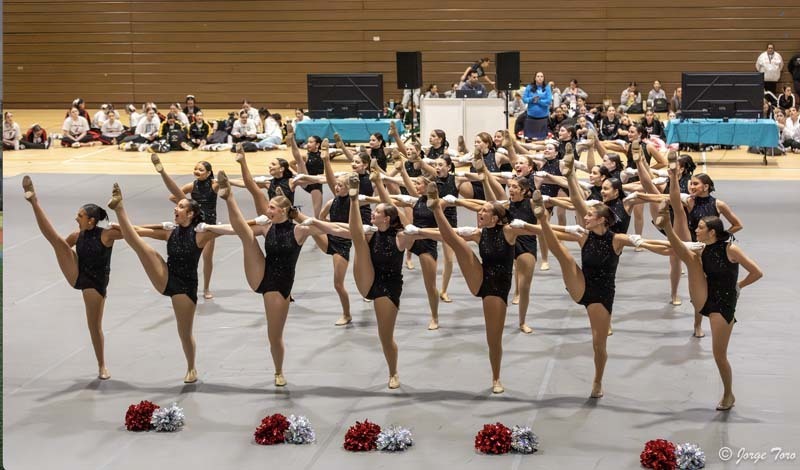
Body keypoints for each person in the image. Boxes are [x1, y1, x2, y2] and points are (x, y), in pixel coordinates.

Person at [304, 168, 415, 389]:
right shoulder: (370, 233)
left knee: (385, 337)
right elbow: (338, 229)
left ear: (387, 218)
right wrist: (310, 222)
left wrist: (384, 192)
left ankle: (393, 372)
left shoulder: (401, 238)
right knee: (358, 237)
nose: (372, 213)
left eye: (377, 212)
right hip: (368, 279)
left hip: (388, 287)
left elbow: (405, 225)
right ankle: (353, 199)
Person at [107, 184, 220, 383]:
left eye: (181, 206)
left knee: (184, 333)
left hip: (185, 288)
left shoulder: (200, 234)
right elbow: (139, 231)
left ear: (191, 214)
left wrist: (258, 222)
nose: (176, 208)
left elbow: (234, 229)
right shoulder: (170, 232)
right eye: (177, 206)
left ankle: (191, 367)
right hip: (167, 277)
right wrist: (119, 225)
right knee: (142, 247)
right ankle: (119, 208)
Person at [655, 203, 762, 410]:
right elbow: (676, 248)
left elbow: (757, 272)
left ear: (712, 232)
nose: (696, 230)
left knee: (719, 355)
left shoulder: (731, 249)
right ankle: (667, 225)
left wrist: (739, 286)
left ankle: (729, 393)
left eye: (700, 227)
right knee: (688, 257)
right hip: (706, 295)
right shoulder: (702, 250)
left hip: (724, 302)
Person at [23, 177, 123, 379]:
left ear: (91, 220)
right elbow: (61, 247)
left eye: (80, 216)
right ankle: (34, 201)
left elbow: (132, 232)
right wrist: (61, 253)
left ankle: (102, 365)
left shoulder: (107, 235)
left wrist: (159, 227)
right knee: (56, 241)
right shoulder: (76, 236)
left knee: (94, 327)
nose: (76, 218)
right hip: (78, 275)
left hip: (96, 283)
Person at [151, 156, 220, 299]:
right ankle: (162, 172)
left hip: (207, 225)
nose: (197, 171)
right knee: (181, 196)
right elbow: (172, 197)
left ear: (208, 173)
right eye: (195, 169)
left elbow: (228, 184)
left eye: (201, 170)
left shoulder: (214, 185)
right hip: (195, 219)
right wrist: (185, 208)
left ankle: (206, 288)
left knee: (207, 258)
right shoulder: (192, 185)